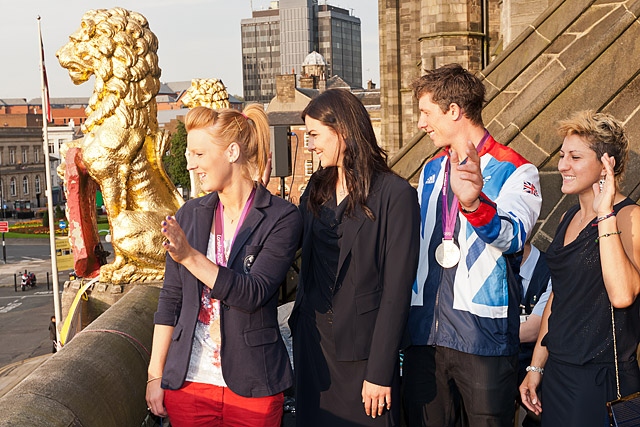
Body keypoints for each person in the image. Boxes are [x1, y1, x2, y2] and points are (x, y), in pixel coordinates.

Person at [402, 63, 542, 427]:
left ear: (454, 111)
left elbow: (513, 238)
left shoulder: (517, 169)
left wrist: (474, 206)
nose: (421, 124)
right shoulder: (432, 168)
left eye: (426, 113)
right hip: (424, 335)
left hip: (483, 339)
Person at [145, 104, 302, 427]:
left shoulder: (281, 217)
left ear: (232, 152)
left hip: (253, 384)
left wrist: (190, 256)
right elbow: (170, 300)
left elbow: (254, 292)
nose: (190, 165)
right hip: (189, 384)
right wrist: (154, 375)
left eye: (199, 154)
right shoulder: (189, 215)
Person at [289, 88, 420, 426]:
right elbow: (290, 245)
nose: (310, 144)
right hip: (313, 347)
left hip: (364, 356)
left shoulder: (396, 195)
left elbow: (397, 290)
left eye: (315, 134)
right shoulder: (315, 189)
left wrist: (379, 371)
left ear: (343, 131)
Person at [519, 110, 640, 426]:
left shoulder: (630, 219)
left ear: (606, 164)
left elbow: (623, 295)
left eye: (574, 157)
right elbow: (559, 299)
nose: (562, 166)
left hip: (603, 380)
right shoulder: (566, 219)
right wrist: (536, 368)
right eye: (562, 156)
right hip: (558, 374)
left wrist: (605, 215)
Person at [514, 242, 551, 427]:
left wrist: (486, 331)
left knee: (543, 413)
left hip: (538, 363)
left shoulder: (551, 268)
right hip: (496, 363)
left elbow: (534, 330)